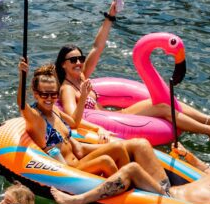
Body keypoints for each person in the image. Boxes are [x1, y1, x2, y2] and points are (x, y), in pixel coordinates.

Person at [55, 0, 210, 142]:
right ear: (63, 64)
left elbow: (97, 47)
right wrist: (85, 97)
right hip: (110, 119)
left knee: (162, 99)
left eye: (80, 58)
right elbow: (73, 118)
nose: (79, 62)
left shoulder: (81, 76)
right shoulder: (67, 89)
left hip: (114, 115)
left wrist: (110, 17)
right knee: (162, 107)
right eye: (73, 60)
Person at [51, 115, 210, 204]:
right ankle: (84, 158)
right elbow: (199, 165)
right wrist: (186, 154)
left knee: (133, 169)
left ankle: (79, 201)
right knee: (140, 145)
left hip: (169, 200)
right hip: (166, 188)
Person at [18, 59, 172, 192]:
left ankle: (148, 186)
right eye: (44, 95)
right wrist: (22, 75)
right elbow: (21, 105)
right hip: (70, 171)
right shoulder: (36, 118)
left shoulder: (55, 111)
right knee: (106, 160)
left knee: (119, 147)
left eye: (53, 94)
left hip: (79, 159)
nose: (49, 99)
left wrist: (84, 96)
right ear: (35, 93)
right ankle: (129, 189)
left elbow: (74, 123)